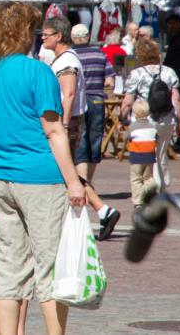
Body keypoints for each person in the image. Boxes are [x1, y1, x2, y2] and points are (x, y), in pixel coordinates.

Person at [0, 2, 85, 335]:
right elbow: (53, 131)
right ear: (25, 33)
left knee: (9, 272)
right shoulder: (38, 72)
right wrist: (74, 183)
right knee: (49, 269)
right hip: (40, 178)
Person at [42, 16, 120, 241]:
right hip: (70, 120)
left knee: (66, 172)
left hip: (69, 120)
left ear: (58, 36)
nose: (43, 38)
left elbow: (69, 93)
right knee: (68, 172)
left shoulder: (67, 61)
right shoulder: (65, 58)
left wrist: (64, 124)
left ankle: (100, 210)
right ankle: (102, 211)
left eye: (46, 34)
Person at [120, 36, 180, 193]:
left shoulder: (136, 74)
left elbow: (128, 101)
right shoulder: (169, 72)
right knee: (161, 152)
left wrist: (122, 116)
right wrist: (179, 120)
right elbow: (176, 98)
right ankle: (162, 182)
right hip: (167, 119)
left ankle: (154, 186)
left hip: (145, 120)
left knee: (149, 156)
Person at [70, 23, 114, 185]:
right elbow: (110, 81)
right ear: (88, 37)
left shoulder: (71, 55)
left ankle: (82, 181)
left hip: (78, 100)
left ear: (73, 38)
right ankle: (89, 180)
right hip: (97, 99)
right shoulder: (100, 54)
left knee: (81, 138)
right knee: (95, 138)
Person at [126, 100, 157, 209]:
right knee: (148, 178)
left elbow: (126, 137)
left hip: (136, 156)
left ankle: (138, 201)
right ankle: (149, 196)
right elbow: (156, 137)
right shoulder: (153, 126)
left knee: (136, 179)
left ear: (134, 113)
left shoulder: (133, 127)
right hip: (150, 156)